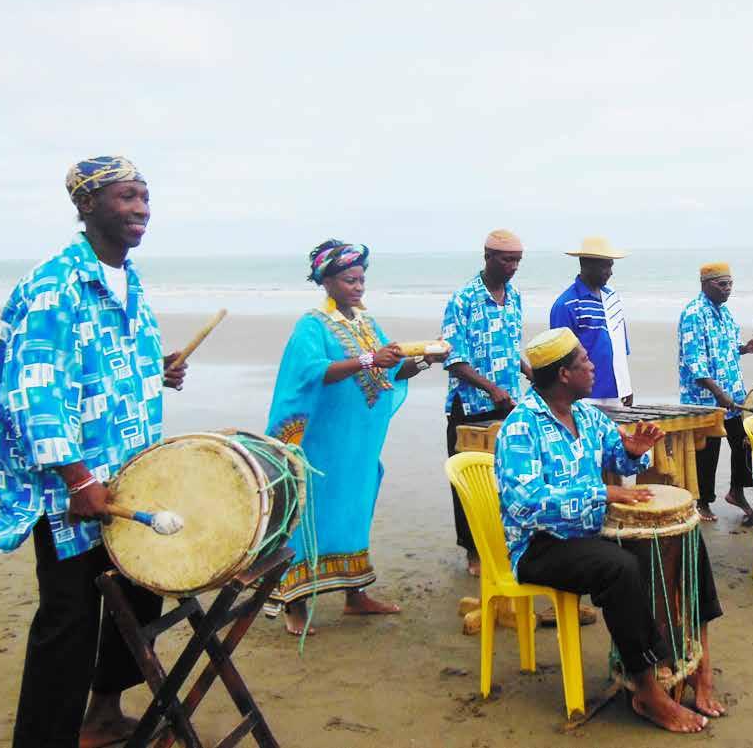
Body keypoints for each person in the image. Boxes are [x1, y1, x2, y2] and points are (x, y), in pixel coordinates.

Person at [0, 156, 188, 748]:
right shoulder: (55, 284)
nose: (141, 209)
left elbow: (95, 363)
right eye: (126, 197)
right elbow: (33, 390)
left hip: (129, 475)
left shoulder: (129, 278)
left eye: (144, 197)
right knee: (69, 625)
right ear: (86, 204)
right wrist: (78, 479)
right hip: (72, 490)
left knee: (138, 600)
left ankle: (102, 717)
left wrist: (153, 370)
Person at [495, 328, 724, 732]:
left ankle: (700, 665)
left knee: (684, 538)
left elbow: (619, 455)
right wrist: (601, 493)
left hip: (586, 533)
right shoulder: (520, 427)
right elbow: (525, 503)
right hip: (540, 545)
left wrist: (634, 452)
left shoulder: (586, 415)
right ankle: (648, 690)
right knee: (619, 568)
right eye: (584, 361)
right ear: (564, 374)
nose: (592, 366)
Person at [265, 240, 442, 636]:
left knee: (355, 508)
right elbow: (312, 372)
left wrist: (423, 360)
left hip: (358, 442)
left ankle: (355, 593)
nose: (358, 287)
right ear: (326, 281)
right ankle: (294, 600)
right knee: (309, 511)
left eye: (361, 279)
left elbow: (388, 371)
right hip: (322, 441)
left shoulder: (365, 323)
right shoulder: (312, 325)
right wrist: (367, 359)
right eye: (349, 280)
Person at [442, 229, 528, 576]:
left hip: (508, 403)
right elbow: (454, 359)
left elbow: (510, 347)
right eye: (507, 260)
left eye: (518, 261)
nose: (513, 267)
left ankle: (502, 542)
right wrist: (491, 388)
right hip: (471, 405)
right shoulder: (463, 299)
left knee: (504, 477)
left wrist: (531, 372)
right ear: (488, 257)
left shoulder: (515, 297)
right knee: (468, 481)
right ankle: (473, 551)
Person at [677, 262, 753, 522]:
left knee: (743, 441)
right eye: (722, 284)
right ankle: (703, 502)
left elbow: (728, 348)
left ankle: (737, 491)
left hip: (732, 394)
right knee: (708, 451)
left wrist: (746, 348)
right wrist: (718, 393)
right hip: (706, 398)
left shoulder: (725, 313)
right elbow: (694, 362)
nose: (727, 289)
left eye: (730, 284)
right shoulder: (694, 314)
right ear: (705, 284)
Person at [549, 236, 633, 406]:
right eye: (605, 266)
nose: (610, 272)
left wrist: (626, 387)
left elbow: (619, 348)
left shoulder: (612, 298)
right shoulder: (566, 304)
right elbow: (560, 359)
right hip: (585, 396)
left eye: (611, 266)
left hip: (616, 392)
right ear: (586, 264)